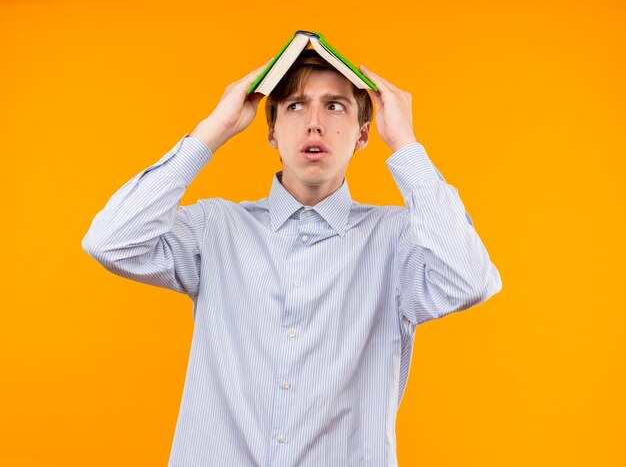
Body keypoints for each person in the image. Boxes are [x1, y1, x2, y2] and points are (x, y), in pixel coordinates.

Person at [82, 49, 502, 466]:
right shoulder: (216, 227)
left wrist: (407, 146)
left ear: (362, 134)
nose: (314, 123)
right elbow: (111, 240)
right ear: (271, 132)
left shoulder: (398, 238)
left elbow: (470, 281)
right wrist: (212, 131)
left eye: (335, 106)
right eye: (296, 105)